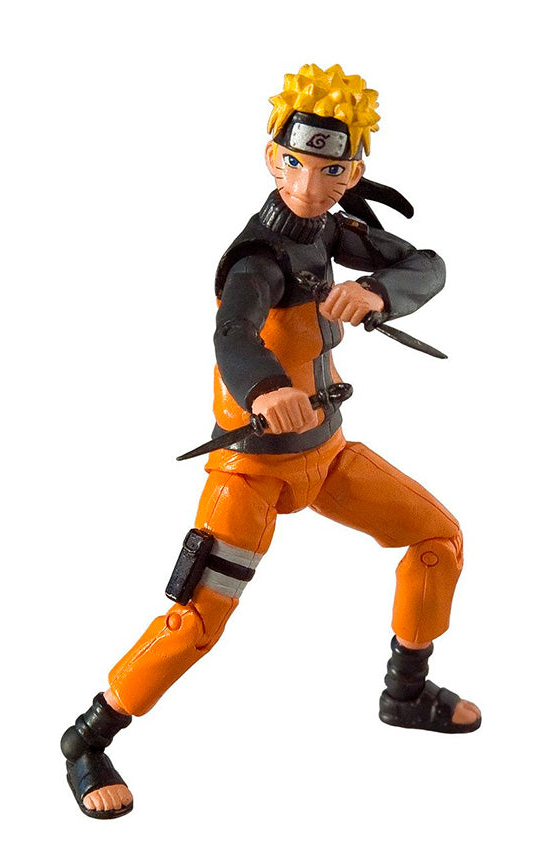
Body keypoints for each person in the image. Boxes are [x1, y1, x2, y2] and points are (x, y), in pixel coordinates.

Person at [61, 63, 480, 820]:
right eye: (296, 164)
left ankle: (406, 691)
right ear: (271, 159)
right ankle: (89, 737)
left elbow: (429, 266)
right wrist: (264, 390)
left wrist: (378, 291)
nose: (311, 185)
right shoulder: (256, 259)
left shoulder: (332, 232)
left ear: (354, 172)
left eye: (331, 170)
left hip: (330, 455)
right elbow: (232, 333)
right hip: (251, 472)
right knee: (198, 620)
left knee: (437, 539)